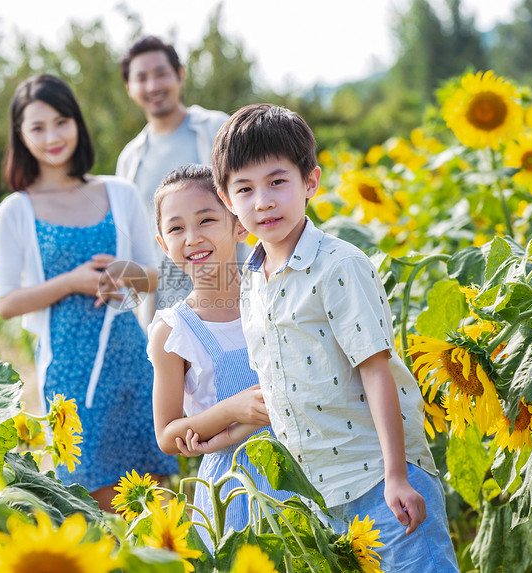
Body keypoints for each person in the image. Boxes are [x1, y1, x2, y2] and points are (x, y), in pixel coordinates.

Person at [211, 104, 459, 571]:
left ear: (311, 182)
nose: (262, 201)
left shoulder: (338, 265)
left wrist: (396, 476)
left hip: (379, 480)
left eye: (277, 182)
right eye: (245, 189)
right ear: (227, 200)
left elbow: (375, 370)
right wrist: (217, 435)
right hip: (314, 495)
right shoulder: (252, 280)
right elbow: (285, 390)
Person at [0, 74, 178, 510]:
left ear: (77, 123)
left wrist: (122, 275)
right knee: (88, 502)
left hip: (131, 357)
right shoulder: (15, 210)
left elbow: (153, 274)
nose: (53, 136)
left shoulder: (119, 191)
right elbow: (5, 302)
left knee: (157, 501)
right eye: (37, 127)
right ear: (20, 135)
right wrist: (70, 282)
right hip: (67, 371)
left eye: (62, 121)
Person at [147, 164, 292, 545]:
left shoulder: (276, 297)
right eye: (176, 228)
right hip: (232, 491)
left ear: (239, 225)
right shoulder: (173, 331)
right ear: (163, 244)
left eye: (207, 220)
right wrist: (231, 412)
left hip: (301, 468)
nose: (192, 238)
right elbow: (167, 435)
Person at [116, 35, 231, 316]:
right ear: (129, 88)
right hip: (164, 311)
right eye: (141, 78)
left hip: (230, 299)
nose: (153, 85)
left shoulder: (218, 128)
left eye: (161, 73)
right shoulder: (130, 159)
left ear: (179, 75)